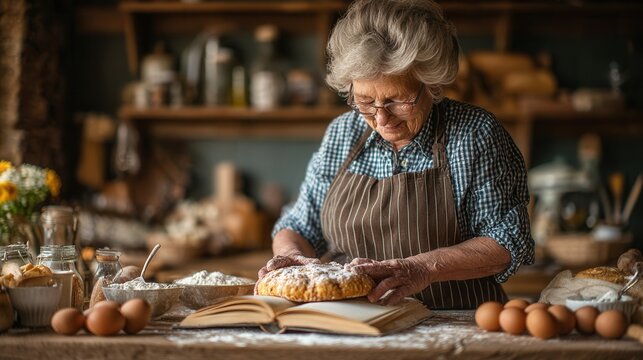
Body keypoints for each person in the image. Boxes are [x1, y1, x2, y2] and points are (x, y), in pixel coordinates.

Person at [259, 0, 534, 309]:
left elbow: (506, 239)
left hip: (452, 323)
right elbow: (299, 224)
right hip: (352, 323)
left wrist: (422, 268)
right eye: (365, 101)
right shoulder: (343, 134)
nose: (381, 118)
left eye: (397, 100)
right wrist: (291, 258)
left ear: (431, 83)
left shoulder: (473, 133)